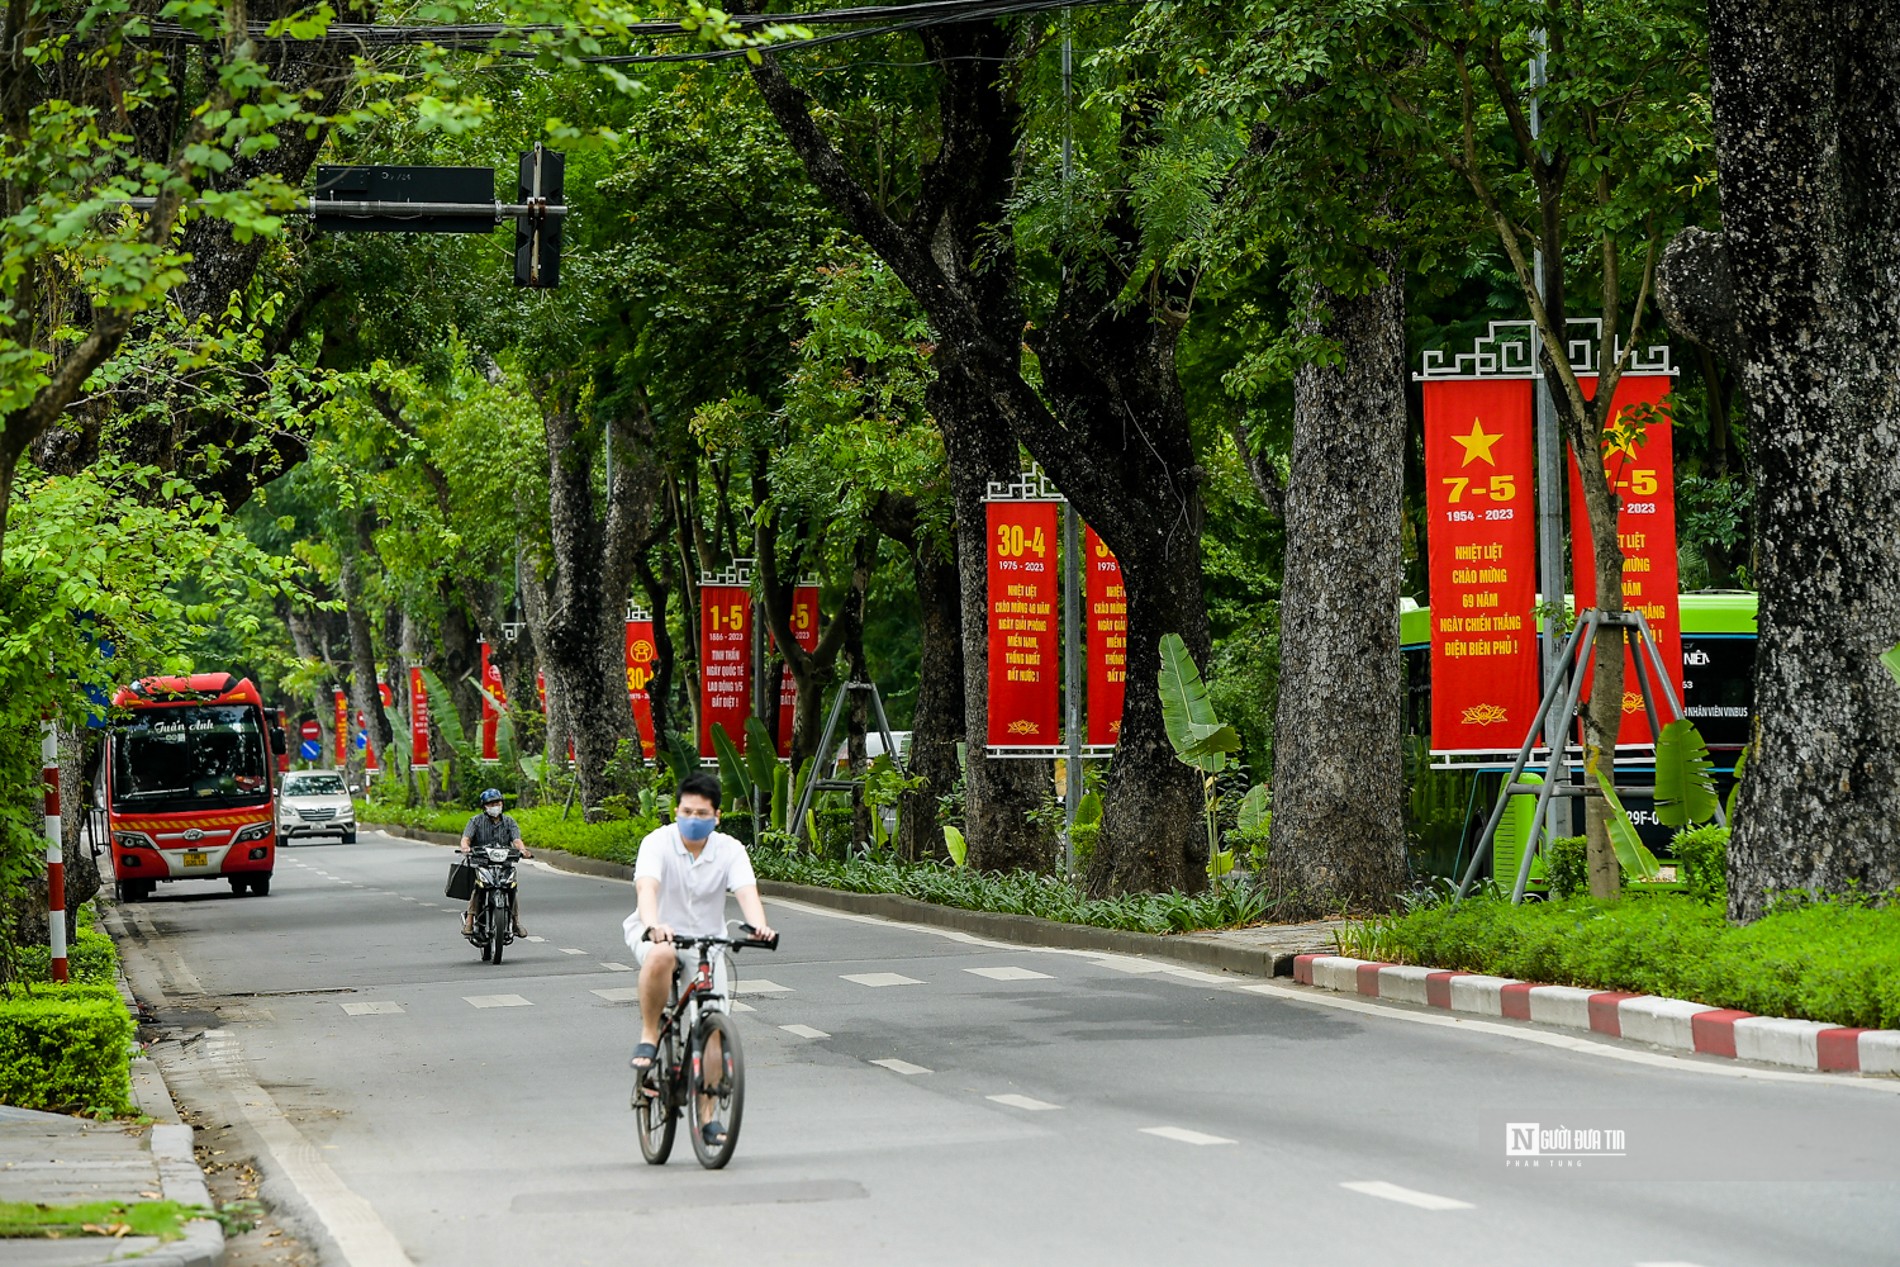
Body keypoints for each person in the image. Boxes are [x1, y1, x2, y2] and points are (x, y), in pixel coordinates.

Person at [622, 771, 774, 1150]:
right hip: (659, 933)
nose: (694, 817)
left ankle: (707, 1118)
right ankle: (650, 1034)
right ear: (677, 810)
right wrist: (654, 924)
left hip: (708, 941)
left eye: (702, 812)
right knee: (661, 955)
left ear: (716, 816)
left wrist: (759, 926)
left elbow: (746, 892)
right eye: (687, 810)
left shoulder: (730, 849)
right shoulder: (657, 843)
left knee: (713, 1029)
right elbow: (647, 888)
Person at [460, 788, 533, 937]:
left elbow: (516, 840)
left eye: (497, 802)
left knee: (512, 887)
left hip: (504, 864)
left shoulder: (509, 822)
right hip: (483, 863)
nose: (495, 806)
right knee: (477, 888)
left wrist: (523, 850)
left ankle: (515, 922)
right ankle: (470, 919)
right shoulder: (475, 821)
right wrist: (465, 847)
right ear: (485, 806)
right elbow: (466, 838)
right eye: (491, 803)